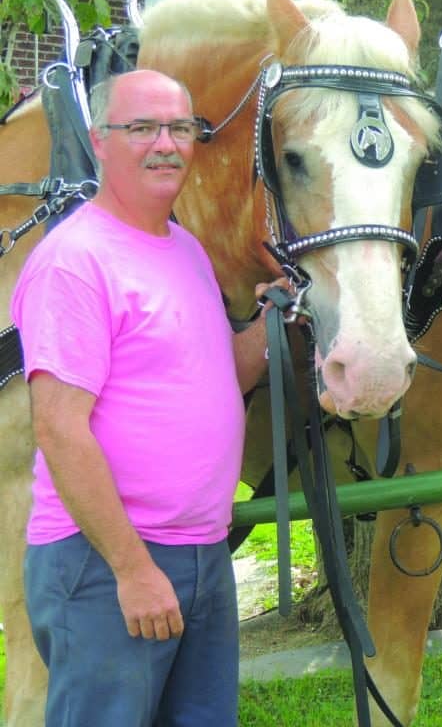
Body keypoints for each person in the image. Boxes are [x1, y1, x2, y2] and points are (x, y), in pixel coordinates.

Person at [10, 69, 277, 726]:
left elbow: (216, 378)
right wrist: (132, 570)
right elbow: (60, 429)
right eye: (143, 128)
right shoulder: (77, 260)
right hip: (105, 561)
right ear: (100, 140)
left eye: (181, 128)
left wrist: (279, 325)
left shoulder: (183, 249)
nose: (166, 144)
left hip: (201, 555)